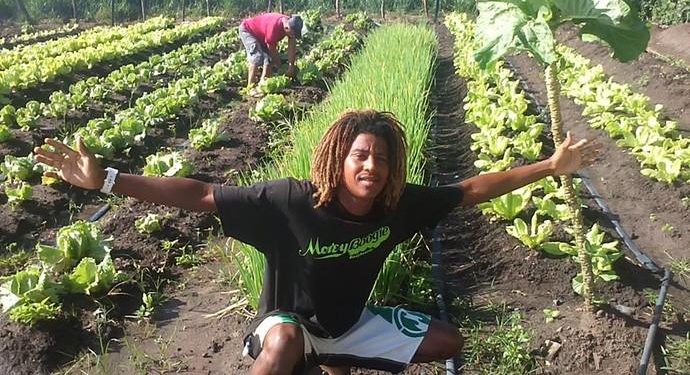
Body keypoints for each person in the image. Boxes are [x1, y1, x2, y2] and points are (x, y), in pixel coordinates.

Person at [33, 109, 601, 374]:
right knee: (283, 344)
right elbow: (203, 194)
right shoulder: (290, 203)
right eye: (360, 155)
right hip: (287, 323)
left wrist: (549, 166)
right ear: (338, 157)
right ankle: (310, 359)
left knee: (447, 342)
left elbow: (472, 188)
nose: (371, 166)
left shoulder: (397, 207)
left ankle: (336, 363)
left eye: (381, 158)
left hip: (348, 323)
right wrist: (107, 179)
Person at [239, 12, 307, 98]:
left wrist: (291, 66)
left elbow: (291, 48)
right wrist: (280, 68)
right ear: (287, 28)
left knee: (269, 60)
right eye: (292, 34)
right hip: (248, 30)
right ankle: (250, 87)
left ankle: (262, 83)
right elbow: (272, 51)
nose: (293, 36)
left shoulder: (290, 24)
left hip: (262, 33)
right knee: (257, 56)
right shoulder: (274, 29)